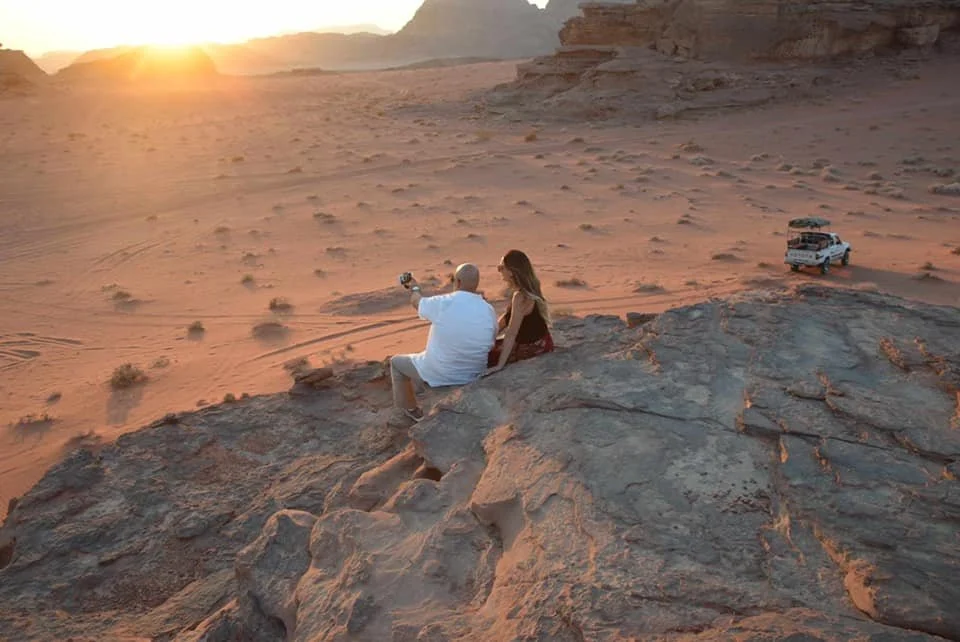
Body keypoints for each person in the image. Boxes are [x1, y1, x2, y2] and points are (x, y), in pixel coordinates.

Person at [390, 264, 497, 422]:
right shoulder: (488, 310)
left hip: (442, 372)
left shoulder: (444, 302)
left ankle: (410, 411)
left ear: (458, 282)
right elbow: (491, 340)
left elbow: (416, 302)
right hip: (472, 374)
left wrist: (414, 287)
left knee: (396, 363)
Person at [484, 249, 554, 377]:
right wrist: (487, 336)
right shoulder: (529, 288)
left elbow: (511, 333)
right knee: (483, 348)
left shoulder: (521, 297)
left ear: (511, 272)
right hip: (543, 342)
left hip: (532, 348)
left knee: (482, 358)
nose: (499, 271)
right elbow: (506, 319)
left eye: (501, 267)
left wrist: (500, 365)